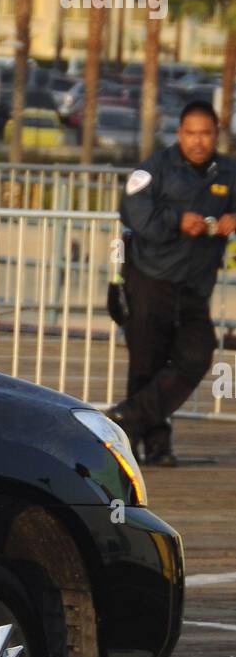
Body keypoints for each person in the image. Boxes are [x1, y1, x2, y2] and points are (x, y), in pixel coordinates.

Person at [108, 100, 236, 465]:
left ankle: (126, 420)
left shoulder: (228, 172)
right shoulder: (156, 168)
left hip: (194, 287)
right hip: (150, 279)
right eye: (191, 133)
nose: (198, 141)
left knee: (197, 354)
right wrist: (176, 220)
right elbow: (132, 209)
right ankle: (153, 447)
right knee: (146, 364)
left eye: (206, 134)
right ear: (180, 134)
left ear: (216, 135)